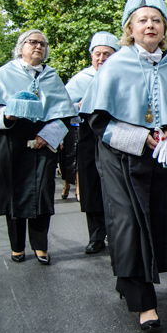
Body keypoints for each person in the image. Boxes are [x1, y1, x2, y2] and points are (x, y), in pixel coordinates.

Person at [80, 0, 167, 330]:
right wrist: (140, 138)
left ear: (165, 27)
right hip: (121, 159)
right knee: (129, 226)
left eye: (157, 20)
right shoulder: (116, 63)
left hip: (160, 158)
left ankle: (128, 282)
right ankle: (145, 304)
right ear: (130, 28)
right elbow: (97, 120)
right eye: (143, 20)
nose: (150, 25)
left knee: (157, 224)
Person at [0, 29, 76, 265]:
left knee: (42, 195)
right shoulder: (3, 74)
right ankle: (17, 246)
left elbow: (65, 117)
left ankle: (41, 247)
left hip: (42, 145)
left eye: (42, 43)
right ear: (21, 47)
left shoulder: (52, 77)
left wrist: (48, 135)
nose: (38, 46)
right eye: (32, 42)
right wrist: (8, 115)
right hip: (11, 144)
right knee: (14, 195)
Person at [65, 31, 119, 253]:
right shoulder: (80, 79)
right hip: (88, 137)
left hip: (116, 136)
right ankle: (96, 236)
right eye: (97, 54)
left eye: (107, 54)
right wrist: (79, 106)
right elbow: (63, 108)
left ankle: (117, 235)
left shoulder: (121, 75)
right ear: (91, 56)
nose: (101, 58)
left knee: (115, 186)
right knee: (91, 184)